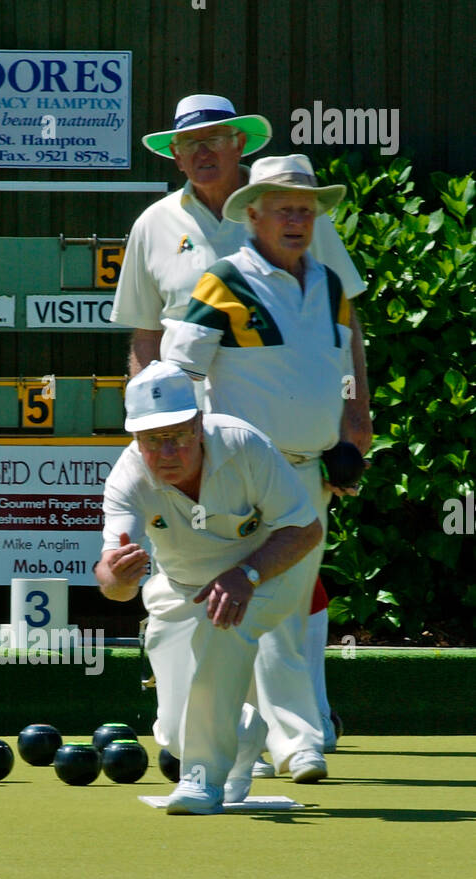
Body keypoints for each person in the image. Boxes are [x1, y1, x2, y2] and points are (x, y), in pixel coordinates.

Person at [111, 94, 371, 746]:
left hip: (294, 447)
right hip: (205, 447)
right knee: (213, 586)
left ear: (239, 147)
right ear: (173, 153)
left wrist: (353, 416)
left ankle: (299, 727)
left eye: (214, 139)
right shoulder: (151, 224)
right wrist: (160, 432)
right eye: (187, 143)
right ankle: (215, 730)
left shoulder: (299, 219)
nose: (200, 152)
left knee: (290, 577)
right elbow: (147, 341)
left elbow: (342, 325)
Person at [160, 154, 362, 782]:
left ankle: (284, 741)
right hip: (244, 473)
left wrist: (347, 436)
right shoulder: (222, 282)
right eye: (284, 208)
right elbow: (178, 373)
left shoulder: (328, 286)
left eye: (306, 208)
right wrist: (198, 451)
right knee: (249, 605)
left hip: (310, 474)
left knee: (289, 610)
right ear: (254, 214)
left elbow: (339, 373)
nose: (298, 219)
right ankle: (257, 737)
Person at [96, 360, 322, 815]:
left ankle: (202, 781)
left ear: (199, 425)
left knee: (226, 625)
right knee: (177, 733)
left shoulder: (244, 444)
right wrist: (117, 578)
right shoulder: (127, 479)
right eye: (152, 440)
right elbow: (112, 583)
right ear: (135, 440)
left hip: (269, 572)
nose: (167, 452)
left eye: (178, 435)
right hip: (182, 588)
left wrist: (247, 575)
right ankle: (241, 733)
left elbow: (305, 528)